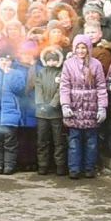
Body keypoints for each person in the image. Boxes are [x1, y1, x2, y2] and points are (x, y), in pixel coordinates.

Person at [60, 35, 107, 179]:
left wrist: (102, 107)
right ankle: (74, 169)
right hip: (74, 108)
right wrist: (65, 105)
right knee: (74, 141)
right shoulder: (68, 64)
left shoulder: (96, 64)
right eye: (78, 48)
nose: (81, 51)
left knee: (91, 141)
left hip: (91, 107)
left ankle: (89, 168)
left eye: (83, 48)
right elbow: (64, 86)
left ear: (88, 49)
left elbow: (101, 87)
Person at [33, 46, 66, 175]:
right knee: (42, 140)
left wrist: (53, 104)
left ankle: (60, 166)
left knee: (59, 141)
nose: (51, 62)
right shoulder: (41, 72)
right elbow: (38, 87)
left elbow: (61, 89)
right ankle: (42, 165)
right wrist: (40, 103)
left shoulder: (61, 72)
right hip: (42, 113)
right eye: (49, 60)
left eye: (54, 60)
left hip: (56, 113)